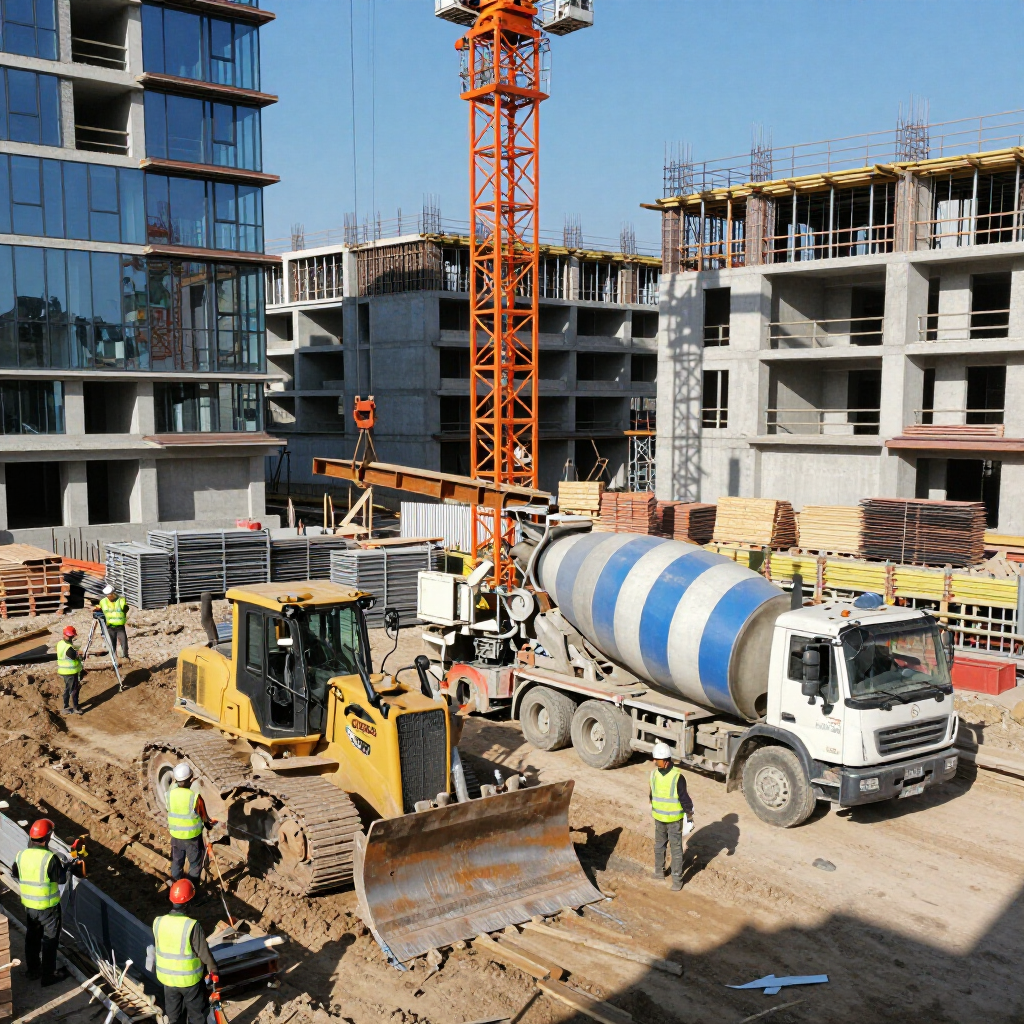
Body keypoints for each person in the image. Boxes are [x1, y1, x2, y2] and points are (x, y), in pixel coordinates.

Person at [12, 818, 84, 986]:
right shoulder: (49, 857)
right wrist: (67, 867)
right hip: (49, 908)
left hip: (30, 906)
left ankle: (33, 971)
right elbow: (59, 880)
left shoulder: (21, 855)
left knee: (32, 938)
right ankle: (48, 976)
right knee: (50, 941)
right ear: (49, 836)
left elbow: (16, 873)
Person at [153, 879, 218, 1024]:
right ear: (188, 903)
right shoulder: (191, 925)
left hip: (168, 980)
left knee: (174, 1018)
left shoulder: (158, 922)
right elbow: (204, 954)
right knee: (197, 1017)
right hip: (189, 981)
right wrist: (214, 970)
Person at [649, 741, 694, 891]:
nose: (654, 761)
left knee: (675, 850)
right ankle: (659, 872)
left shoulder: (677, 777)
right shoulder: (654, 774)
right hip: (660, 819)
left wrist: (689, 814)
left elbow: (684, 798)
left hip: (674, 820)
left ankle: (676, 880)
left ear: (666, 761)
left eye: (657, 759)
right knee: (660, 846)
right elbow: (652, 794)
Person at [166, 763, 217, 883]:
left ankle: (175, 885)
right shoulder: (194, 797)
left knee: (177, 862)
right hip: (192, 839)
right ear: (190, 779)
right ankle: (192, 888)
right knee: (195, 865)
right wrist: (211, 825)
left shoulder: (170, 794)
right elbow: (204, 818)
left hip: (176, 837)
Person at [56, 625, 83, 716]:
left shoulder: (60, 643)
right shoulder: (68, 647)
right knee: (74, 689)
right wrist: (79, 654)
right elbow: (74, 656)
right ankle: (74, 707)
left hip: (64, 671)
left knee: (68, 689)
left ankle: (66, 707)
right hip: (70, 672)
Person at [99, 584, 130, 661]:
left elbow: (125, 608)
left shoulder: (121, 600)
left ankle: (125, 658)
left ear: (113, 593)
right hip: (110, 627)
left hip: (120, 627)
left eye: (110, 595)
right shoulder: (103, 602)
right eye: (107, 595)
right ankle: (113, 660)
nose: (109, 597)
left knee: (124, 644)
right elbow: (99, 610)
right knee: (112, 645)